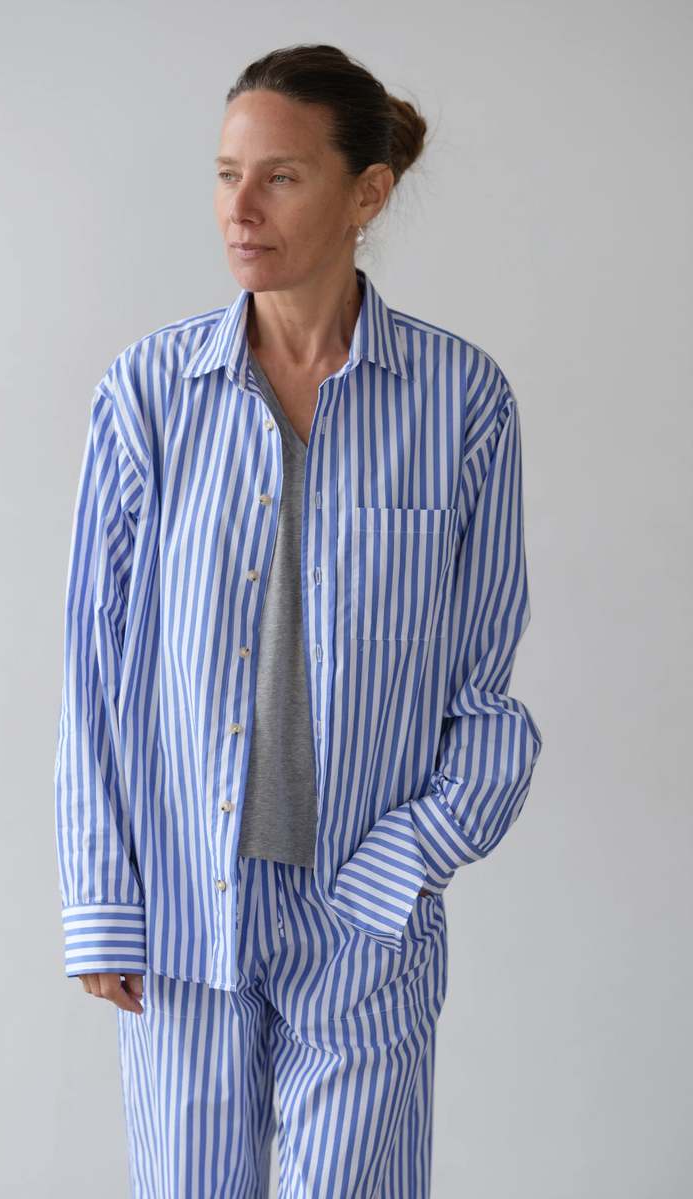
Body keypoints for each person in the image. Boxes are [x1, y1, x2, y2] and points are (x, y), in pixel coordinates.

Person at [53, 42, 543, 1199]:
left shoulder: (461, 402)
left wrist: (403, 863)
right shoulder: (147, 394)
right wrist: (100, 898)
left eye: (279, 177)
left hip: (362, 921)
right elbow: (93, 670)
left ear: (366, 193)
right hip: (183, 911)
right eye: (226, 175)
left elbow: (483, 701)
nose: (240, 209)